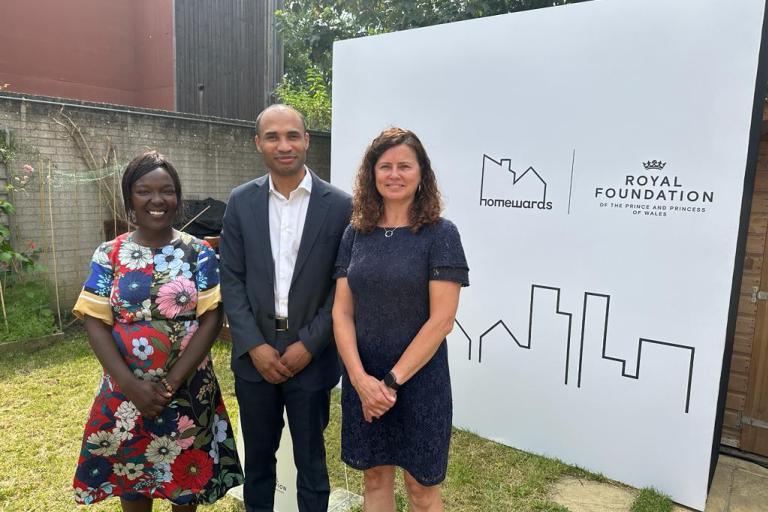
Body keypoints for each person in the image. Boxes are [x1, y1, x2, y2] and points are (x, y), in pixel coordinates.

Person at [71, 150, 243, 510]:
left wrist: (170, 383)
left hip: (188, 392)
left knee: (186, 485)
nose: (157, 200)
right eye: (144, 191)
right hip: (125, 393)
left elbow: (212, 318)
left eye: (166, 190)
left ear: (177, 196)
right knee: (133, 484)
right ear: (129, 197)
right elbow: (95, 320)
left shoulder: (199, 253)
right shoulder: (110, 254)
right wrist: (132, 386)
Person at [219, 104, 351, 512]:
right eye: (273, 136)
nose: (284, 144)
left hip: (312, 353)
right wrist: (254, 345)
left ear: (307, 140)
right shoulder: (241, 202)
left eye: (293, 135)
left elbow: (342, 288)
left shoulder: (340, 205)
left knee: (311, 461)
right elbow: (232, 280)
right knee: (258, 462)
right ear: (258, 143)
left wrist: (309, 344)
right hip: (255, 354)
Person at [332, 128, 469, 512]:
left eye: (404, 166)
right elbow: (342, 312)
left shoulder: (441, 235)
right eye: (385, 166)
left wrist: (389, 384)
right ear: (371, 174)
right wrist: (360, 381)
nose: (394, 174)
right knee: (374, 479)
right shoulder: (354, 234)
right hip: (364, 378)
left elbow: (441, 321)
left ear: (421, 173)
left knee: (421, 488)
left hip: (419, 380)